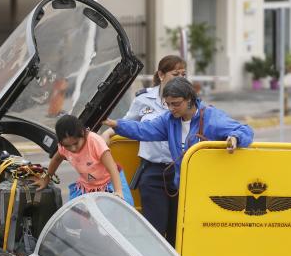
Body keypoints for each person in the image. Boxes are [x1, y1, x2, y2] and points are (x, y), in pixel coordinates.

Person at [103, 76, 253, 200]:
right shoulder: (169, 119)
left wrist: (234, 138)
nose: (171, 108)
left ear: (189, 99)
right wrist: (115, 124)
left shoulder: (211, 117)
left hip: (210, 191)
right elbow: (143, 129)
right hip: (183, 189)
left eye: (175, 104)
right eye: (167, 104)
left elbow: (244, 130)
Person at [102, 55, 186, 245]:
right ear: (161, 74)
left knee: (178, 230)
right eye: (175, 74)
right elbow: (129, 123)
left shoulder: (188, 100)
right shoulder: (144, 99)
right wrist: (107, 134)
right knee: (155, 230)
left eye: (183, 74)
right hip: (153, 170)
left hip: (180, 170)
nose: (180, 77)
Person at [34, 115, 134, 205]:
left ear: (83, 133)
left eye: (76, 143)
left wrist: (118, 192)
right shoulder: (63, 146)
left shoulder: (95, 142)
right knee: (80, 216)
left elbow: (113, 168)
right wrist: (46, 178)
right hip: (88, 185)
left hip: (110, 182)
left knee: (116, 212)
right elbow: (56, 160)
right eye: (68, 146)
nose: (73, 149)